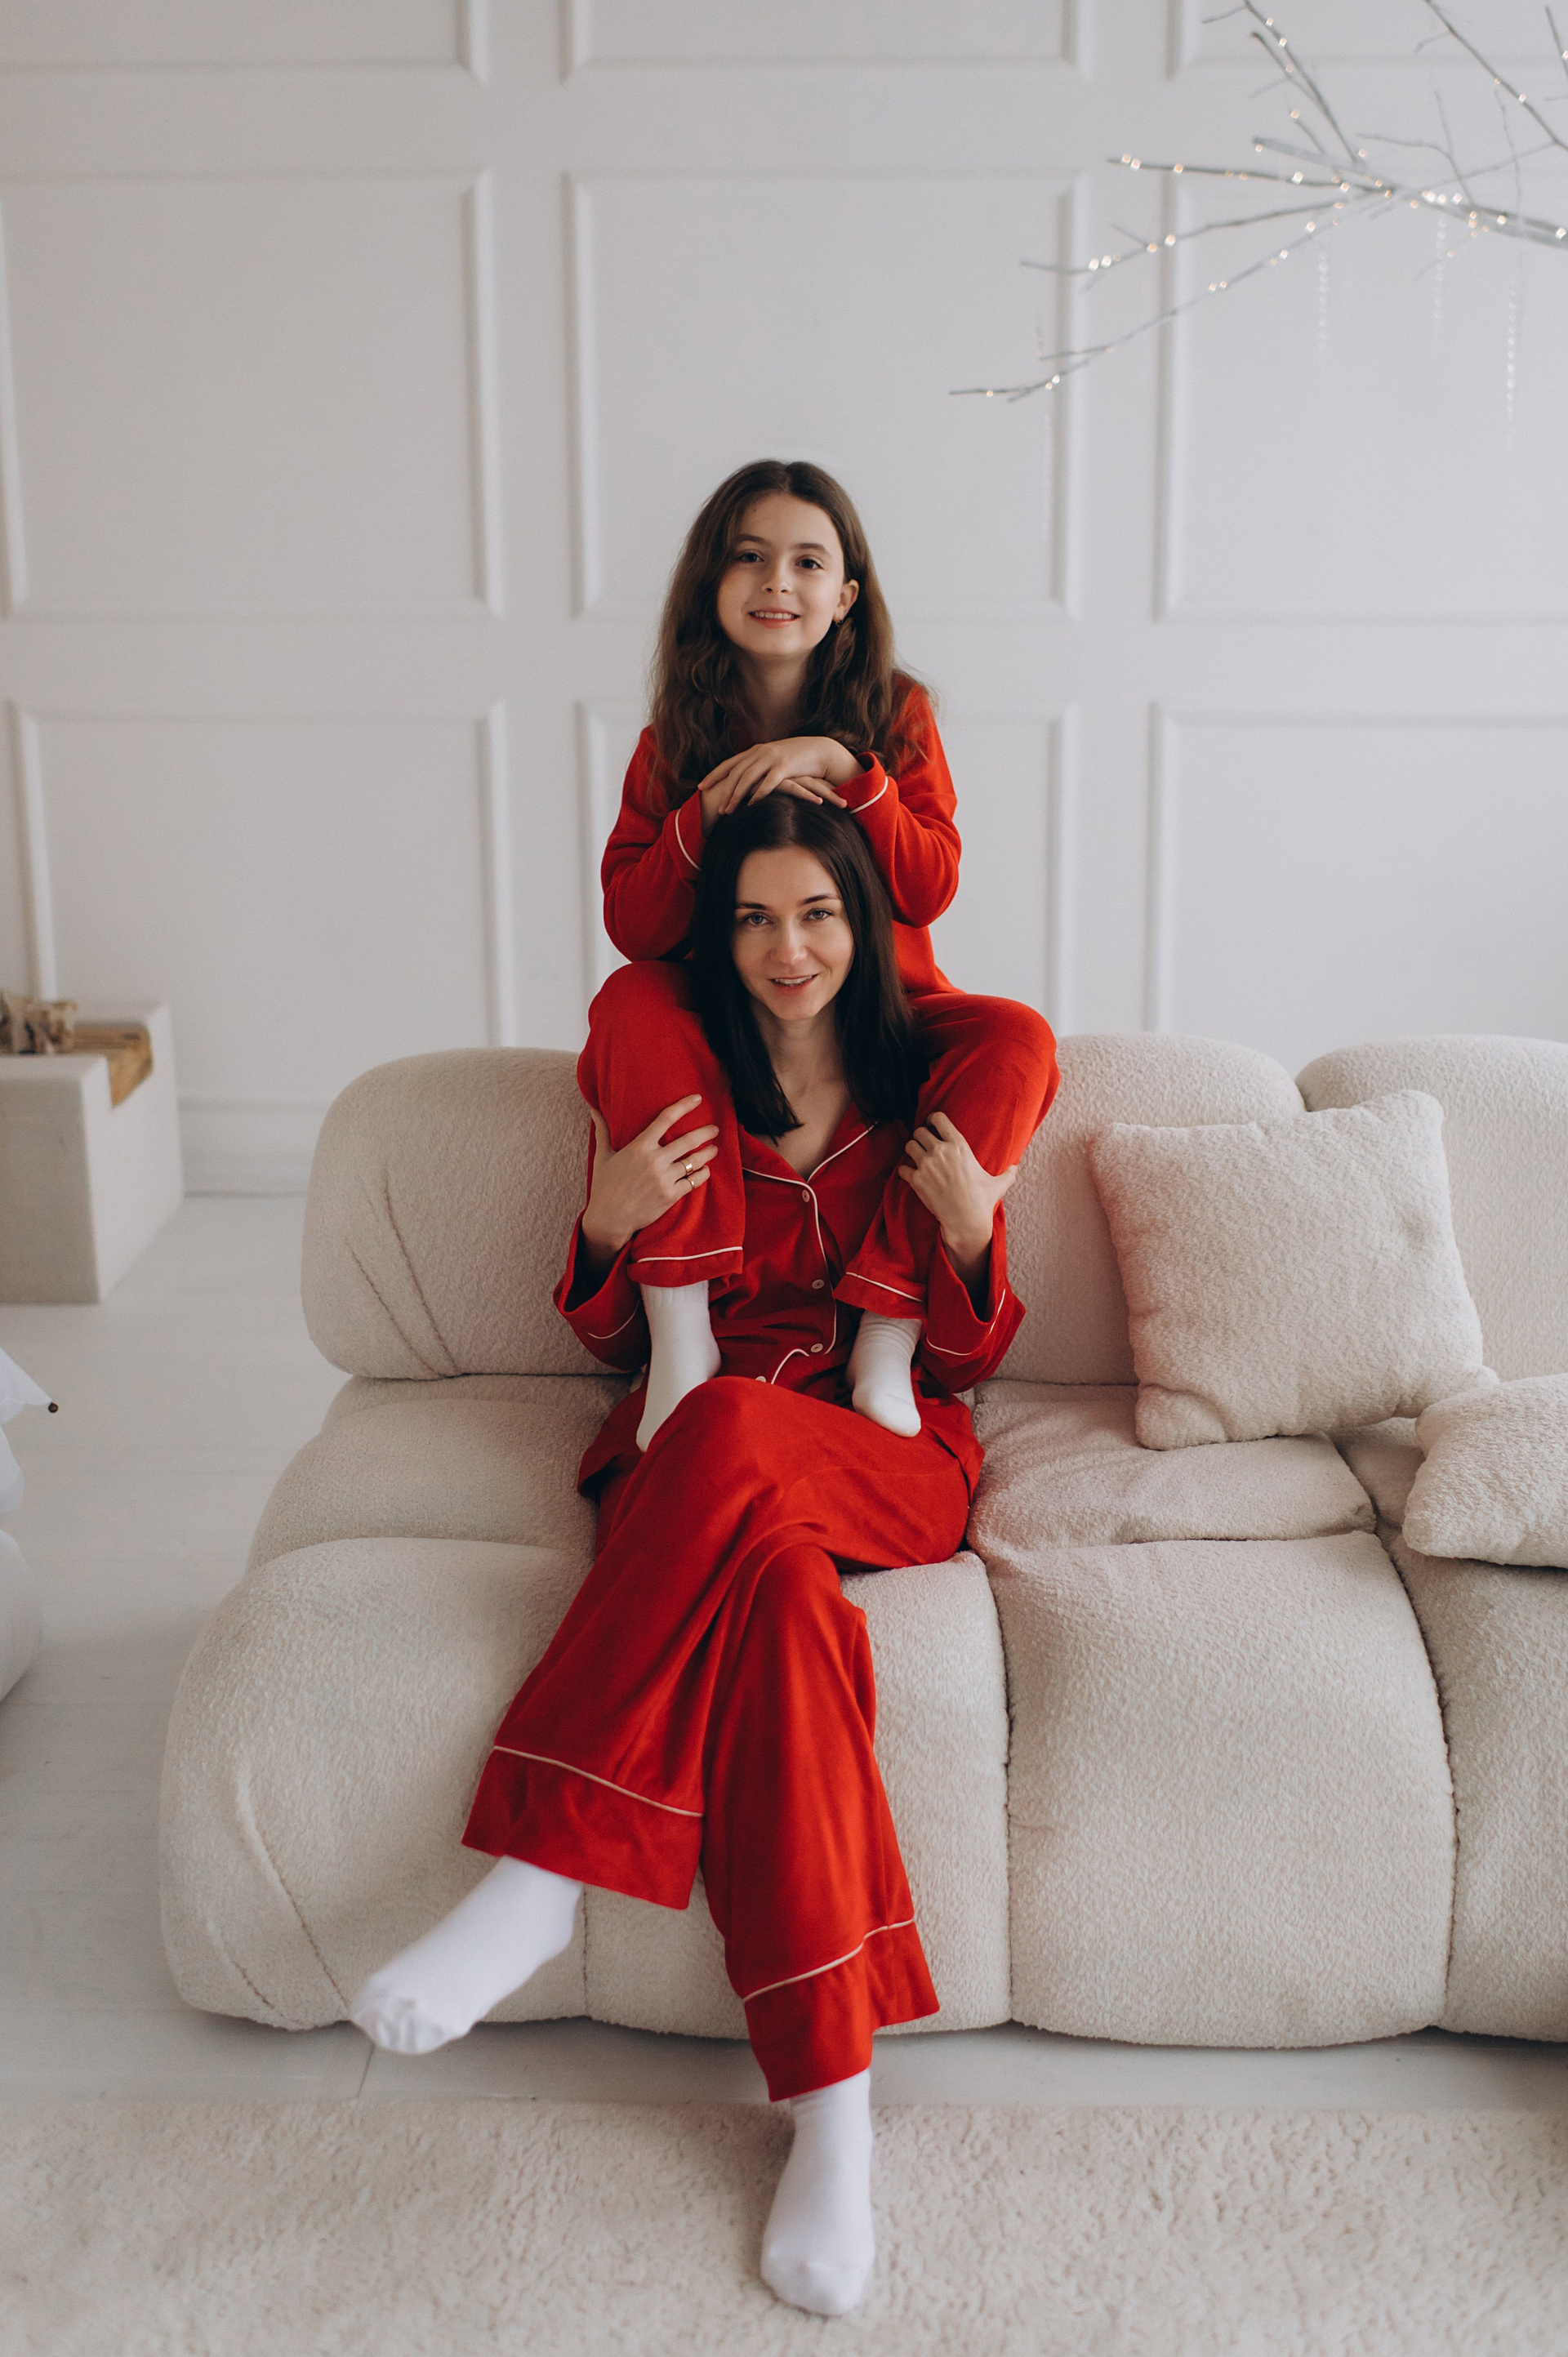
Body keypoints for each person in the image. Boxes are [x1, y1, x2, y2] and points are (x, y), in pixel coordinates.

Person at [352, 794, 1032, 2317]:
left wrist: (972, 1238)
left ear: (867, 929)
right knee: (784, 1622)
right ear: (722, 939)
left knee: (721, 1416)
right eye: (755, 918)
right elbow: (612, 1335)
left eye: (819, 914)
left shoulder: (925, 1095)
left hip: (878, 1461)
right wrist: (604, 1227)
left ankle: (542, 1868)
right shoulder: (685, 1090)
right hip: (704, 1481)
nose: (789, 948)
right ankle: (835, 2120)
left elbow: (971, 1355)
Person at [580, 457, 1058, 1454]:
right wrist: (707, 808)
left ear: (845, 595)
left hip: (883, 1003)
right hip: (734, 1003)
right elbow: (634, 922)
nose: (777, 583)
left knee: (1018, 1037)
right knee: (630, 997)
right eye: (748, 558)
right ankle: (682, 1334)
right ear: (711, 584)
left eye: (807, 562)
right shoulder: (673, 740)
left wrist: (847, 768)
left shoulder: (898, 713)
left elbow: (929, 885)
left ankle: (887, 1327)